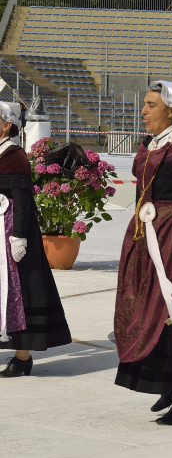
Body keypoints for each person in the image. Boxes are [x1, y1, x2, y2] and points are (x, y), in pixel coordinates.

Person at [113, 82, 172, 422]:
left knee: (169, 308)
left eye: (151, 105)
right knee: (143, 305)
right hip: (147, 235)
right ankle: (167, 383)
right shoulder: (156, 144)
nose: (143, 111)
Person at [0, 103, 72, 377]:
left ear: (7, 125)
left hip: (10, 235)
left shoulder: (14, 156)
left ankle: (22, 356)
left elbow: (22, 201)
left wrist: (18, 237)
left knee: (20, 291)